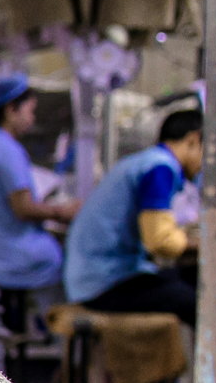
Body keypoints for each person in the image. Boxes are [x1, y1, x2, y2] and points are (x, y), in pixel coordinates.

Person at [64, 109, 203, 324]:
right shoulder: (160, 167)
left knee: (188, 278)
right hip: (103, 283)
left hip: (97, 276)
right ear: (193, 140)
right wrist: (201, 244)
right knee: (196, 303)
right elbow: (159, 240)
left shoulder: (146, 161)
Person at [0, 75, 76, 294]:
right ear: (11, 110)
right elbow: (23, 208)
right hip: (8, 256)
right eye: (29, 111)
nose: (32, 118)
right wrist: (62, 212)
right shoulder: (6, 149)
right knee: (60, 261)